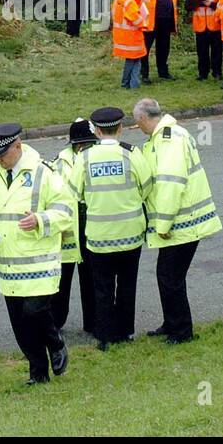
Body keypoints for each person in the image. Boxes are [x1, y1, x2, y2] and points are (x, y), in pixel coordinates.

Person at [0, 124, 73, 385]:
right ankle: (38, 374)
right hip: (8, 263)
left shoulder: (44, 172)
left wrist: (40, 219)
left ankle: (56, 342)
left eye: (3, 155)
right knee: (21, 326)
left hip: (40, 260)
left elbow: (66, 211)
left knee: (35, 311)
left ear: (18, 147)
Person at [133, 99, 222, 344]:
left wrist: (162, 225)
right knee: (167, 276)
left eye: (137, 122)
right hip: (181, 223)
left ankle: (181, 332)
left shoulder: (169, 140)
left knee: (170, 278)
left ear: (143, 119)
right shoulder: (164, 137)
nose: (137, 126)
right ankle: (172, 323)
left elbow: (171, 185)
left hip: (182, 224)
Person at [66, 106, 149, 350]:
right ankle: (125, 332)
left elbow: (75, 193)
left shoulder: (85, 157)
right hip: (130, 235)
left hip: (99, 237)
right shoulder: (132, 154)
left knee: (101, 288)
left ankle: (104, 336)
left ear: (98, 131)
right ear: (121, 128)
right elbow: (147, 187)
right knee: (127, 285)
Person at [51, 118, 98, 335]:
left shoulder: (96, 156)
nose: (89, 147)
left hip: (90, 223)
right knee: (62, 280)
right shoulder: (60, 163)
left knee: (92, 277)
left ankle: (93, 321)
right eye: (86, 144)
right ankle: (56, 322)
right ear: (76, 145)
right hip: (68, 228)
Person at [134, 0, 178, 81]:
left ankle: (163, 72)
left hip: (166, 19)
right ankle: (144, 74)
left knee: (164, 47)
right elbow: (135, 0)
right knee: (145, 48)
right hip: (149, 20)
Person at [111, 0, 148, 89]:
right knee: (136, 61)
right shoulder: (130, 2)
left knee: (130, 61)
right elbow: (135, 19)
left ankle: (125, 84)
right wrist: (145, 23)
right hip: (132, 38)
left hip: (121, 37)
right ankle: (133, 85)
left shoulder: (117, 0)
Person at [189, 0, 223, 81]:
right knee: (202, 52)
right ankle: (202, 73)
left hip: (215, 26)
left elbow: (222, 5)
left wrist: (212, 4)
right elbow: (188, 6)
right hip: (200, 26)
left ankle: (217, 72)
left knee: (216, 52)